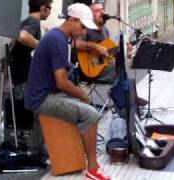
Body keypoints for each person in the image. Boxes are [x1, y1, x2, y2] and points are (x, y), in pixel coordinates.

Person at [24, 3, 112, 180]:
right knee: (91, 114)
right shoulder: (57, 40)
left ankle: (76, 157)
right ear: (72, 20)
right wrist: (83, 95)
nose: (84, 32)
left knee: (86, 108)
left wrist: (80, 95)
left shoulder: (59, 37)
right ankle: (93, 169)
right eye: (82, 26)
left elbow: (63, 80)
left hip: (47, 93)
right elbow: (62, 82)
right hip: (41, 98)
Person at [74, 2, 148, 106]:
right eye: (97, 11)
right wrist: (96, 46)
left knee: (120, 64)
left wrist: (123, 50)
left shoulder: (105, 31)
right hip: (89, 71)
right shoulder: (86, 29)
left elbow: (108, 54)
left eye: (102, 10)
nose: (101, 12)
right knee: (120, 68)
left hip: (101, 67)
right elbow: (75, 44)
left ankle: (128, 99)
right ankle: (127, 100)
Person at [10, 0, 52, 86]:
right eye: (50, 8)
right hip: (24, 79)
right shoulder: (34, 21)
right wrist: (42, 46)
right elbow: (22, 36)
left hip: (18, 76)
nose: (50, 13)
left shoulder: (25, 21)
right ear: (43, 8)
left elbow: (13, 40)